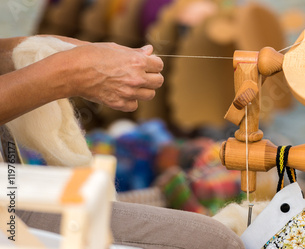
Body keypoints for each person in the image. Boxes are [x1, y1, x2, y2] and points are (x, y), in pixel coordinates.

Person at [0, 36, 244, 249]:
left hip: (12, 184)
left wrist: (71, 52)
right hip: (8, 211)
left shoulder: (151, 142)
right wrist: (71, 70)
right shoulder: (148, 155)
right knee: (217, 242)